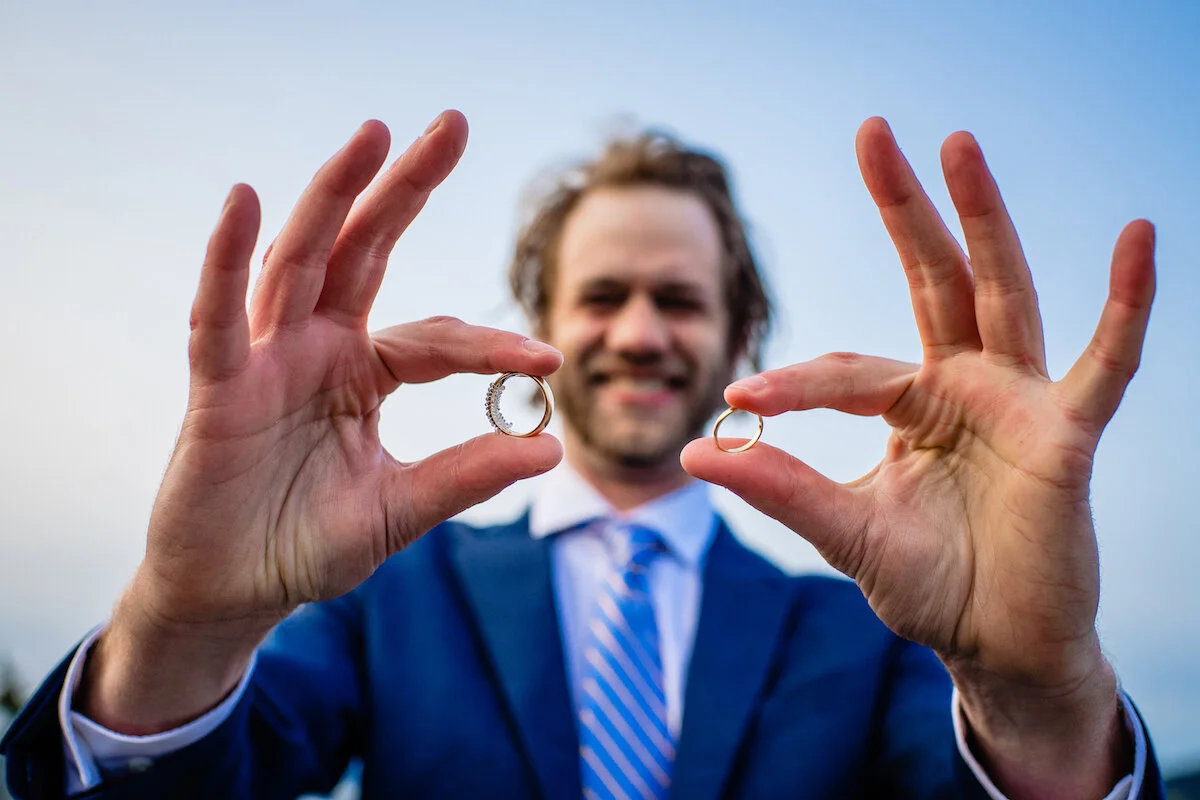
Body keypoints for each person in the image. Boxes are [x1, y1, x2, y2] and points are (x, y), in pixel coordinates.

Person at [1, 111, 1166, 799]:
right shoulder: (392, 593)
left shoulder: (872, 625)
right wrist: (182, 622)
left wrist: (1042, 694)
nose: (643, 331)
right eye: (601, 295)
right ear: (540, 326)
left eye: (681, 299)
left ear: (740, 334)